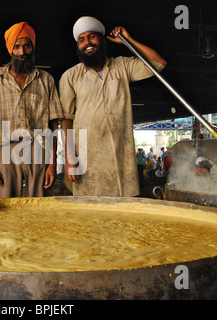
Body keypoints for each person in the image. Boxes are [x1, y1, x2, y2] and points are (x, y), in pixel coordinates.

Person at [59, 16, 166, 196]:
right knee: (91, 212)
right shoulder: (70, 76)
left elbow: (158, 63)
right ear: (78, 46)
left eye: (92, 36)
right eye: (82, 40)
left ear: (101, 39)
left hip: (121, 154)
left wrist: (128, 40)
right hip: (88, 157)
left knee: (123, 212)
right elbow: (66, 120)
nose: (87, 43)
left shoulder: (122, 66)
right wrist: (70, 159)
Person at [0, 21, 64, 198]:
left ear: (33, 47)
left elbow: (55, 124)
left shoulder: (46, 79)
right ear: (10, 49)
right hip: (5, 150)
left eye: (26, 46)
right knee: (7, 205)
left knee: (38, 205)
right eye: (16, 47)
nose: (21, 52)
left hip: (38, 149)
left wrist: (52, 163)